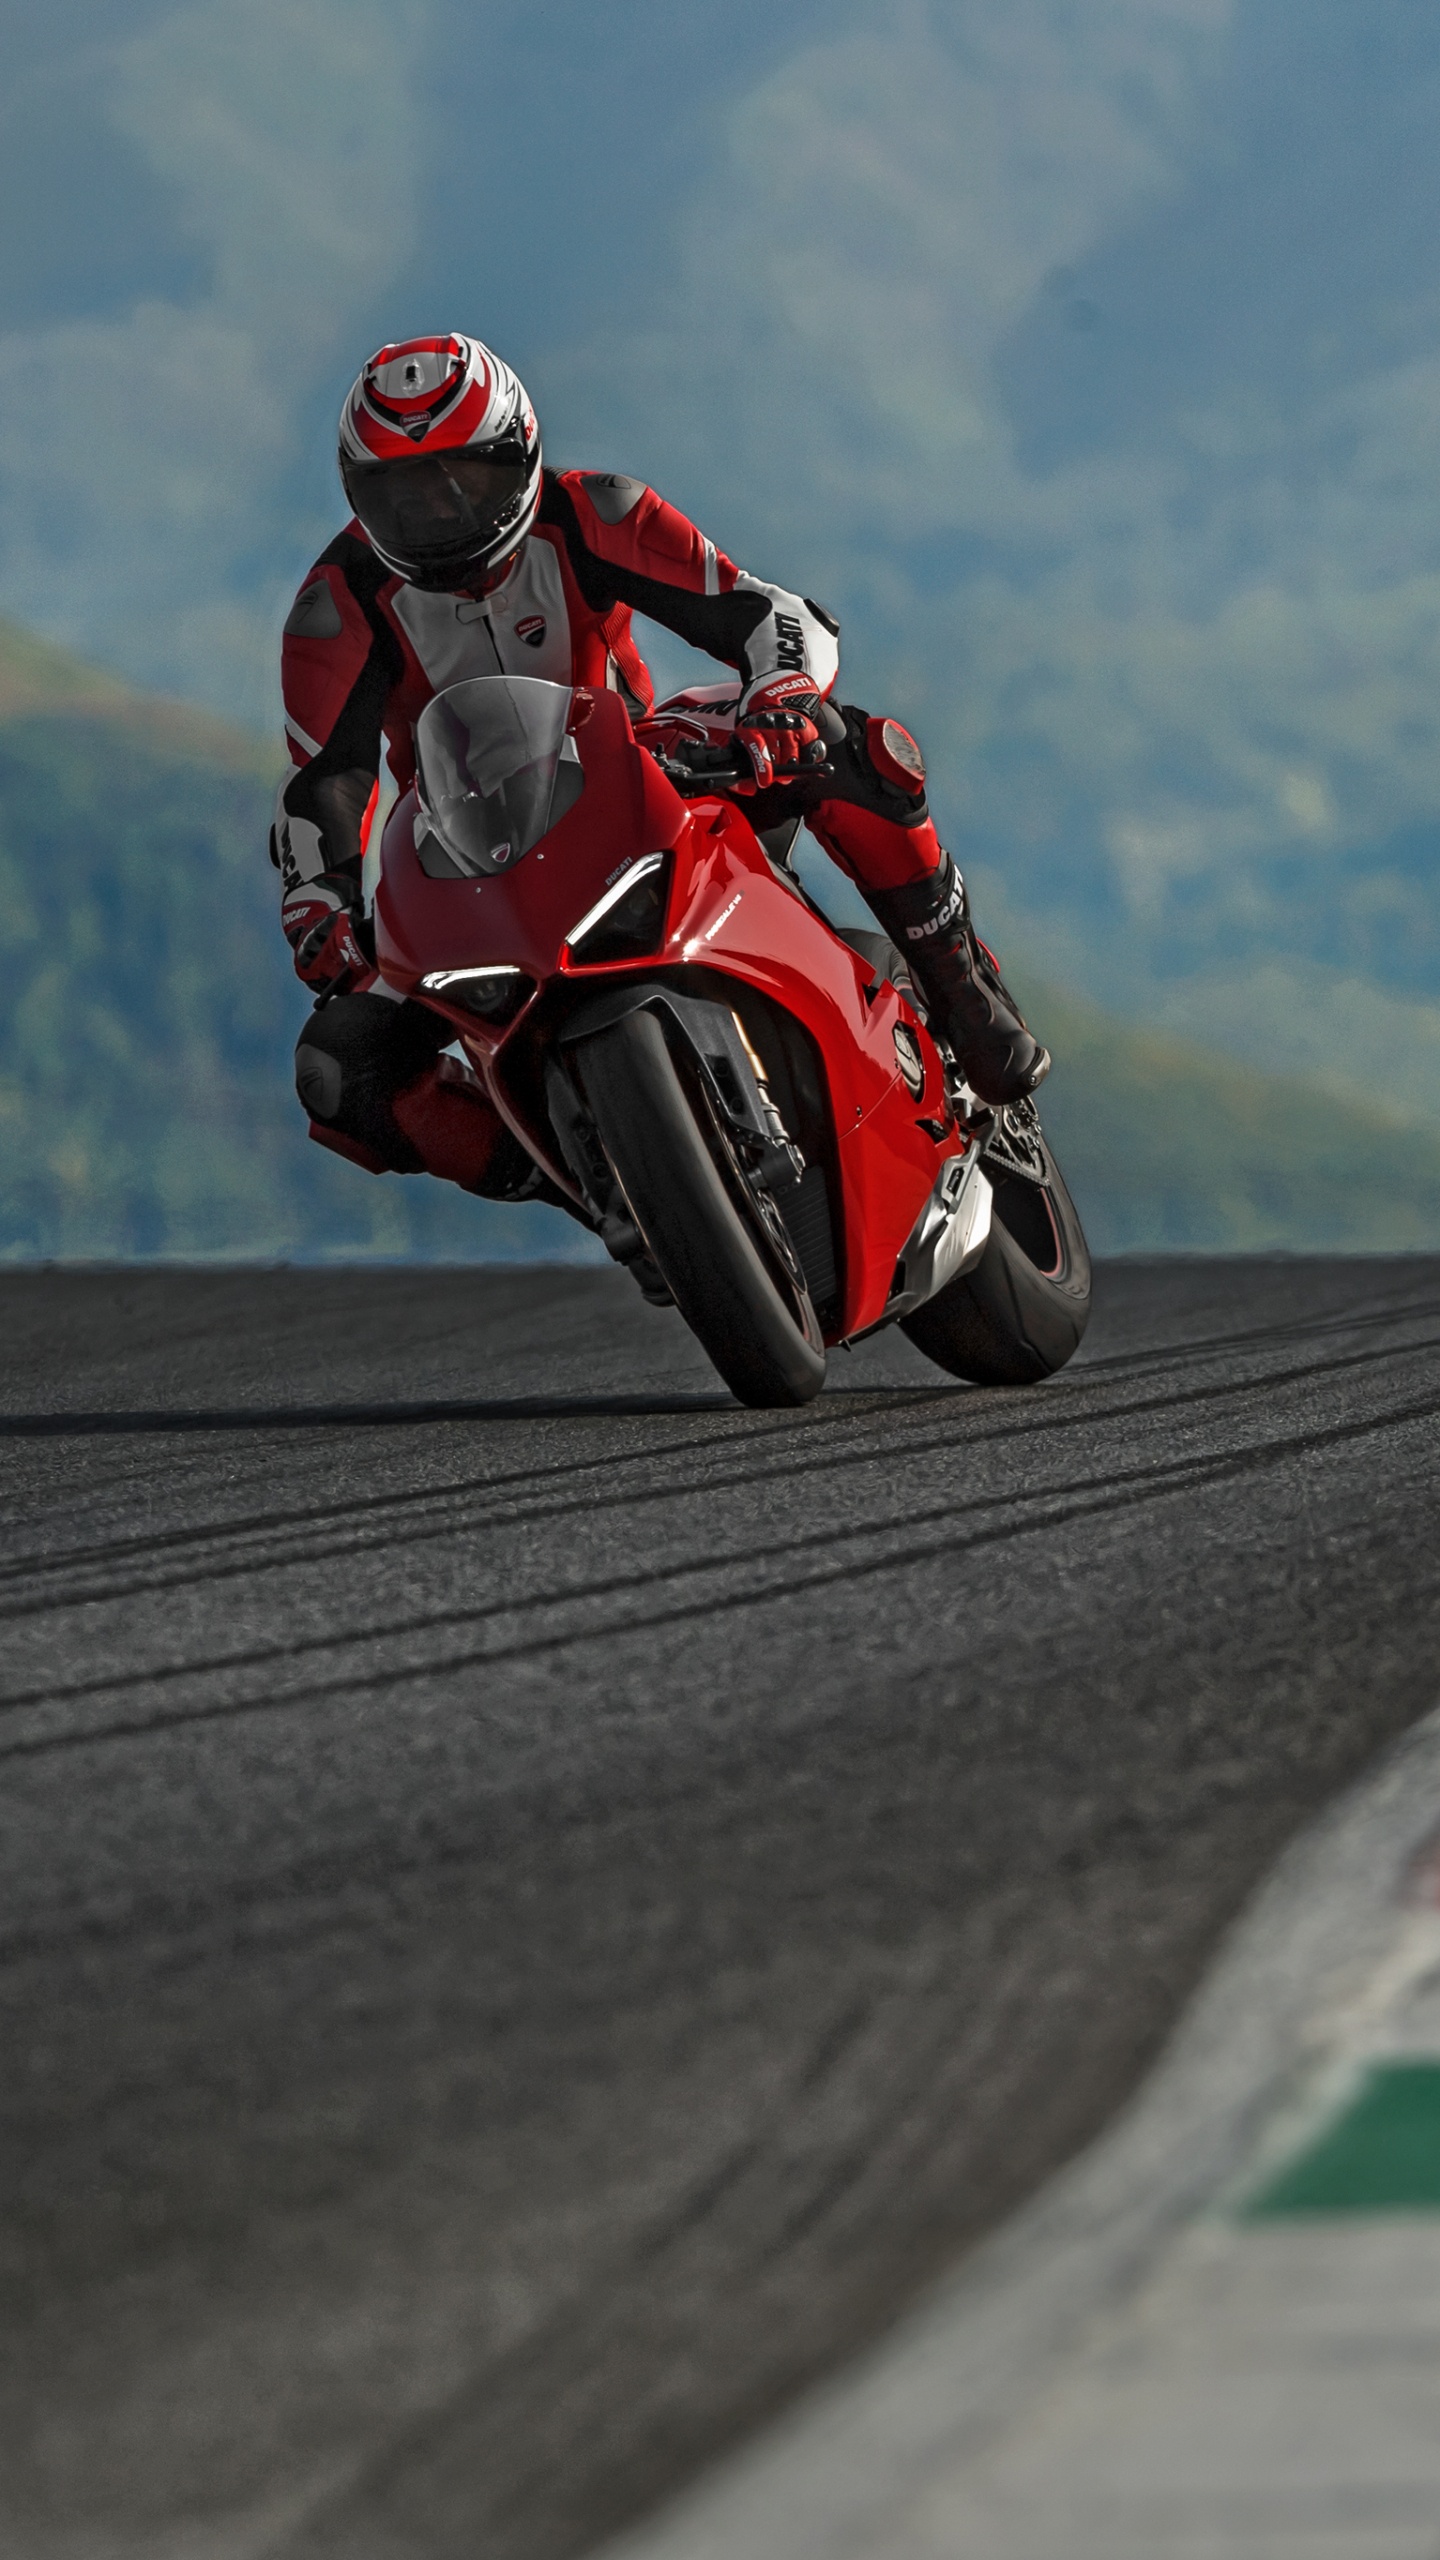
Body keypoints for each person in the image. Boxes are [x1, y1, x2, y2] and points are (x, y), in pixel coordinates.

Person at [273, 332, 1047, 1201]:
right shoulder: (332, 607)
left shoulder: (593, 510)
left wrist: (781, 695)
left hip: (639, 773)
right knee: (342, 1074)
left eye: (468, 478)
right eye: (406, 494)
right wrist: (322, 901)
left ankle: (957, 978)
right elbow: (323, 786)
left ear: (522, 452)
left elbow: (761, 609)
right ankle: (596, 1186)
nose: (443, 512)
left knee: (849, 745)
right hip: (468, 861)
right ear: (358, 498)